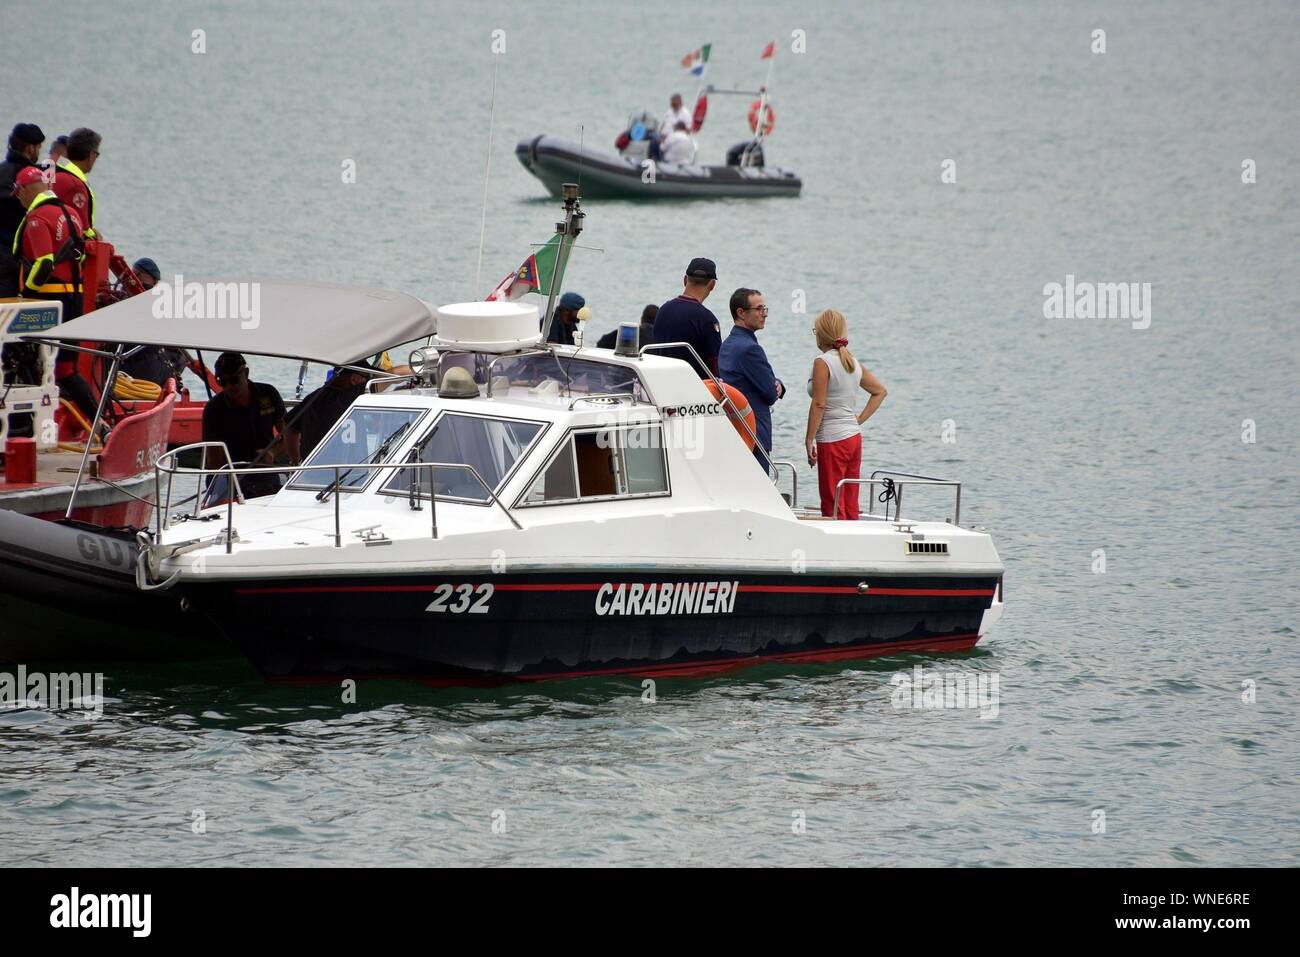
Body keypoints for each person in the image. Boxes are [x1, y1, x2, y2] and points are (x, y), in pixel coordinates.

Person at [10, 164, 99, 420]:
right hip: (75, 297)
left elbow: (45, 262)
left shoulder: (38, 218)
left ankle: (27, 428)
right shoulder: (71, 212)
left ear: (27, 189)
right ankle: (102, 424)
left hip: (49, 301)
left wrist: (24, 294)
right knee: (67, 369)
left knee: (28, 361)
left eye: (18, 191)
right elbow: (79, 252)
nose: (18, 197)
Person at [804, 309, 887, 520]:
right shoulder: (852, 362)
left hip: (832, 438)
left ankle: (835, 548)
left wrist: (809, 439)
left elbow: (819, 403)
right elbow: (880, 392)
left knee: (832, 501)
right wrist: (856, 421)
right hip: (853, 437)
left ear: (820, 334)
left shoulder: (822, 362)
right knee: (850, 498)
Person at [201, 352, 288, 498]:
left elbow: (288, 434)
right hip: (229, 476)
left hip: (265, 471)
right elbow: (215, 461)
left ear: (246, 373)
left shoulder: (268, 394)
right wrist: (230, 487)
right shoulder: (213, 409)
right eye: (222, 382)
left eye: (234, 380)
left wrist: (272, 452)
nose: (229, 386)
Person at [720, 288, 783, 472]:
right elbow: (770, 394)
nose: (764, 314)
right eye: (759, 309)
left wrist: (777, 382)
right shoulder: (750, 349)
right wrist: (776, 384)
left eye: (765, 309)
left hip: (735, 431)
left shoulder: (727, 345)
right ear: (741, 313)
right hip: (755, 436)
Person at [284, 362, 373, 464]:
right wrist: (393, 373)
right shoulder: (351, 397)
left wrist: (296, 461)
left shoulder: (315, 396)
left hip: (310, 471)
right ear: (354, 379)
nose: (366, 382)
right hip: (347, 475)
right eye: (366, 378)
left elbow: (290, 427)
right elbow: (377, 385)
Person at [652, 257, 721, 378]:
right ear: (712, 285)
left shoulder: (663, 310)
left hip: (659, 384)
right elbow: (716, 365)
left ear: (685, 280)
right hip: (693, 390)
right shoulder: (707, 319)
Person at [0, 122, 45, 297]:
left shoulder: (1, 171)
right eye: (39, 147)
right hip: (13, 256)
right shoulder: (31, 179)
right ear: (30, 149)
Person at [52, 128, 101, 239]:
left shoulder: (55, 172)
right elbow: (80, 226)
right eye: (96, 155)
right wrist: (93, 235)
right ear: (91, 155)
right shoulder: (75, 186)